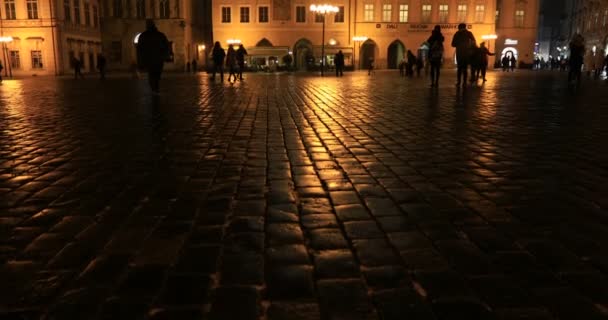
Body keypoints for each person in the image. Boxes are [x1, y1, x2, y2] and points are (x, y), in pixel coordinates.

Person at [136, 19, 170, 94]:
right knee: (156, 74)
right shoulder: (160, 35)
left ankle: (154, 88)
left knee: (152, 74)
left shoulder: (144, 35)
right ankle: (155, 88)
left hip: (150, 59)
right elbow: (166, 46)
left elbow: (139, 49)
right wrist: (165, 56)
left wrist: (140, 60)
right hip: (158, 59)